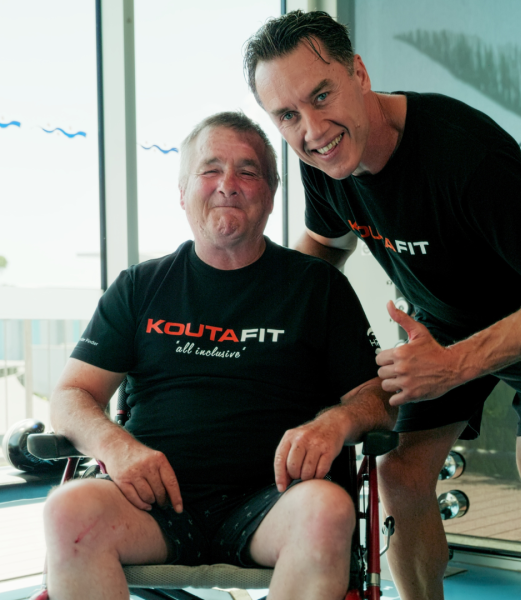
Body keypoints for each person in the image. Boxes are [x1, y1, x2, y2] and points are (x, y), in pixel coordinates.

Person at [244, 10, 521, 600]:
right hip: (443, 325)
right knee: (400, 474)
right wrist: (257, 321)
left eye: (321, 95)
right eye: (287, 115)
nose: (312, 128)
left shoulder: (463, 154)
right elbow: (321, 249)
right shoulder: (325, 162)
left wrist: (458, 365)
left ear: (358, 73)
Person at [43, 111, 396, 600]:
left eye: (248, 172)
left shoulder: (318, 287)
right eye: (210, 170)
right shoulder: (140, 287)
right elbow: (70, 396)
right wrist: (115, 447)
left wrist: (337, 422)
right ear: (182, 192)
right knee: (67, 511)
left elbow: (378, 398)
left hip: (276, 502)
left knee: (328, 511)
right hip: (152, 504)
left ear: (270, 195)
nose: (228, 184)